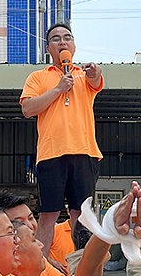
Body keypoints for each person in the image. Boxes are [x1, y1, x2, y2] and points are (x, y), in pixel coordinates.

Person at [20, 22, 104, 263]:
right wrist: (58, 89)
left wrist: (94, 72)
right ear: (48, 48)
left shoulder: (83, 76)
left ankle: (84, 267)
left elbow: (96, 80)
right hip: (51, 154)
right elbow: (27, 108)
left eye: (67, 37)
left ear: (74, 46)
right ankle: (41, 267)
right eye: (56, 39)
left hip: (84, 152)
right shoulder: (37, 77)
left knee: (82, 214)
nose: (62, 42)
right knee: (48, 214)